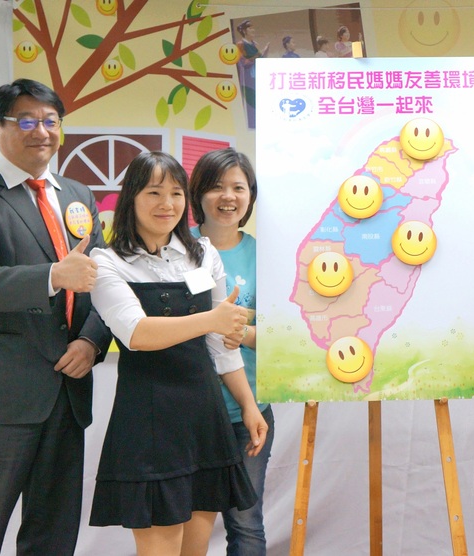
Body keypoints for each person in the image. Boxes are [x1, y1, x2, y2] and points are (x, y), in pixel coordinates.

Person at [0, 78, 112, 555]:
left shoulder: (78, 195)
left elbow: (104, 283)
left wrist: (92, 342)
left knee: (53, 537)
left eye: (51, 121)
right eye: (26, 122)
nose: (42, 132)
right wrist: (54, 274)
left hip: (66, 393)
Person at [87, 151, 268, 555]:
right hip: (149, 420)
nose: (166, 204)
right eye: (154, 192)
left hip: (205, 417)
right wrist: (212, 320)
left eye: (175, 193)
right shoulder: (108, 262)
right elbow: (137, 333)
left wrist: (248, 405)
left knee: (196, 550)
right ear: (131, 198)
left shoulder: (202, 253)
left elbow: (221, 346)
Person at [189, 148, 273, 555]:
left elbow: (290, 333)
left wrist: (242, 332)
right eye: (217, 187)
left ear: (250, 196)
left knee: (246, 523)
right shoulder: (175, 246)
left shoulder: (266, 254)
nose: (228, 197)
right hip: (188, 411)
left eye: (238, 188)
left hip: (248, 409)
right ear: (198, 195)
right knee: (186, 522)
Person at [235, 19, 268, 129]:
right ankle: (253, 126)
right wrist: (258, 55)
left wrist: (264, 53)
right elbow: (242, 62)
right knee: (251, 102)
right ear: (244, 31)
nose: (253, 30)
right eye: (250, 28)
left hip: (258, 76)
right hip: (248, 78)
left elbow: (260, 60)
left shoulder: (255, 44)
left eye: (253, 27)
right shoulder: (240, 45)